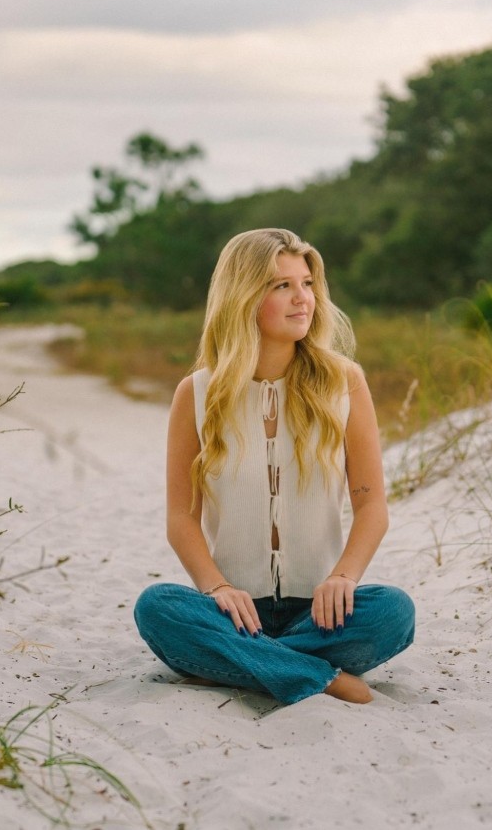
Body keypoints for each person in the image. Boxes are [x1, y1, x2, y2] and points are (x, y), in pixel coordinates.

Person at [134, 228, 414, 705]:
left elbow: (372, 507)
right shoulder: (197, 393)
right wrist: (217, 587)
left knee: (394, 611)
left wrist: (344, 577)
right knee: (156, 607)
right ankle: (317, 677)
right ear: (243, 296)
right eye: (281, 286)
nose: (302, 298)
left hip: (321, 613)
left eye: (306, 284)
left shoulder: (344, 382)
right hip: (233, 611)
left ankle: (240, 665)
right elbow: (181, 518)